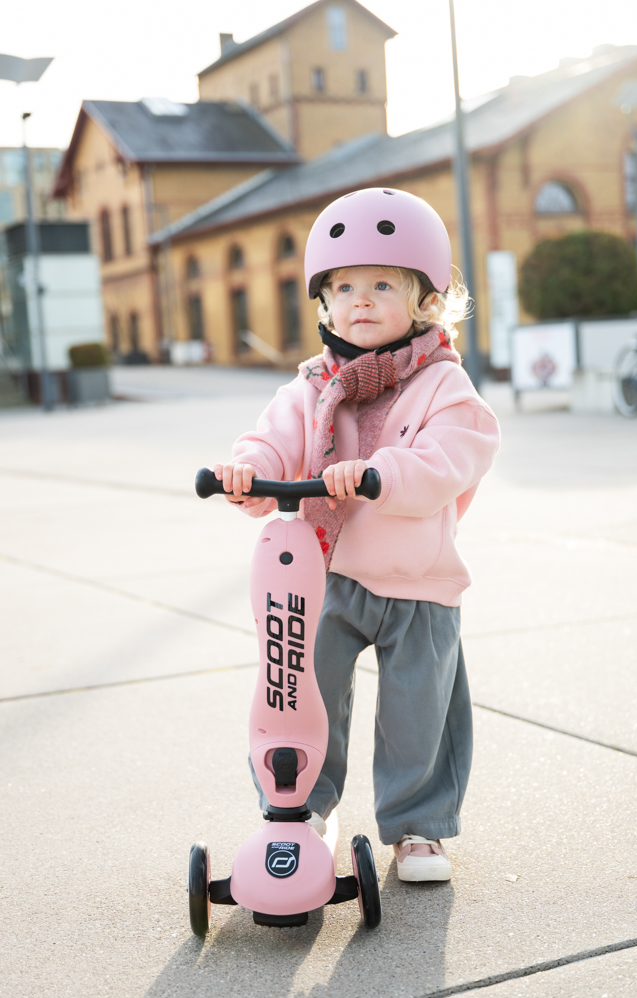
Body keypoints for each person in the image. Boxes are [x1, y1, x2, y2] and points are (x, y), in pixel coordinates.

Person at [216, 187, 500, 882]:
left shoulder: (444, 386)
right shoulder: (312, 387)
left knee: (419, 709)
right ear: (324, 301)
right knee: (300, 688)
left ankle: (419, 827)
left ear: (425, 301)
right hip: (327, 572)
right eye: (344, 287)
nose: (360, 301)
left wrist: (380, 474)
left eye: (382, 285)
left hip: (417, 580)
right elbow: (273, 439)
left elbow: (453, 458)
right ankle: (299, 806)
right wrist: (249, 471)